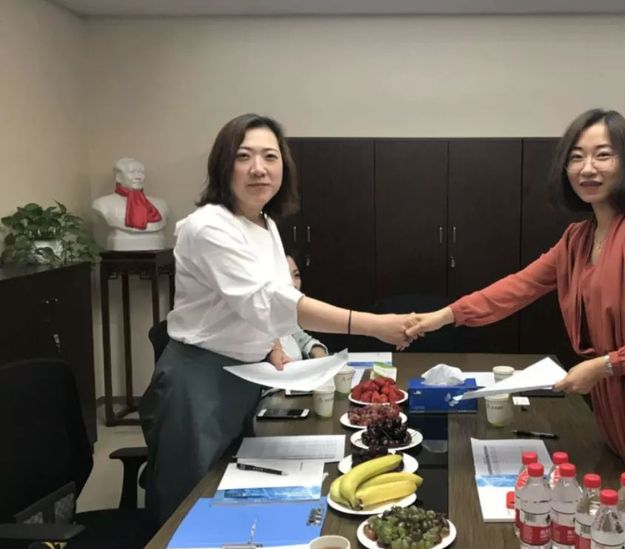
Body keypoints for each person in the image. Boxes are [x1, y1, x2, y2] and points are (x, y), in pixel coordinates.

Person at [407, 109, 625, 549]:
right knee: (612, 527)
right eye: (576, 157)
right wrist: (442, 317)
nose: (587, 168)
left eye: (602, 155)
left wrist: (607, 365)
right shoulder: (578, 238)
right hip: (610, 400)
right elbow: (517, 288)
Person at [140, 114, 417, 524]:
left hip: (244, 374)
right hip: (197, 380)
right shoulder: (207, 226)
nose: (259, 168)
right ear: (223, 165)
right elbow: (270, 300)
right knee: (187, 503)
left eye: (270, 156)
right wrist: (373, 325)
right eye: (244, 156)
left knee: (229, 491)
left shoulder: (264, 222)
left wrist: (270, 342)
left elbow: (251, 300)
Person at [91, 157, 169, 250]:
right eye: (132, 172)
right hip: (120, 250)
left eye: (141, 172)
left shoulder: (161, 204)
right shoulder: (102, 204)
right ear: (118, 177)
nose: (139, 177)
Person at [279, 249, 328, 360]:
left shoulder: (286, 317)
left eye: (296, 275)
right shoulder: (254, 325)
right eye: (285, 276)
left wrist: (319, 355)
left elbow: (306, 342)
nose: (293, 284)